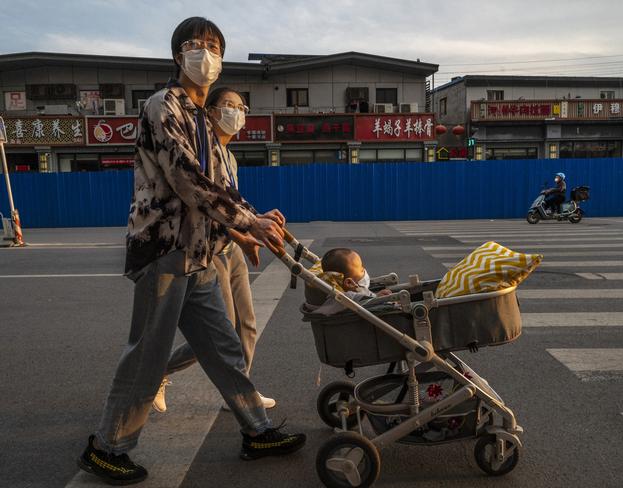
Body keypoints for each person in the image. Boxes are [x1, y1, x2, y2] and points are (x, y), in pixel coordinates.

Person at [77, 17, 305, 486]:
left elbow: (222, 190)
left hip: (197, 255)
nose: (206, 54)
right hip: (164, 249)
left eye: (214, 47)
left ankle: (256, 431)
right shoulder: (164, 107)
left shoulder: (204, 121)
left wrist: (252, 225)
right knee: (148, 354)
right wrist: (248, 223)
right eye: (195, 45)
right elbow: (186, 179)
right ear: (178, 56)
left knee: (223, 347)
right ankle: (107, 448)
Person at [153, 87, 276, 413]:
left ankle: (242, 391)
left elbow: (231, 205)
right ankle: (159, 370)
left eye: (240, 107)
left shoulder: (228, 156)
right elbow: (206, 205)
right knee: (218, 333)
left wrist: (248, 230)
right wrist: (244, 232)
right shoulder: (200, 151)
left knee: (246, 324)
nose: (236, 113)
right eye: (228, 105)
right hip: (208, 249)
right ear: (210, 113)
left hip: (229, 246)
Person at [304, 248, 391, 315]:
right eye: (361, 269)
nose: (364, 270)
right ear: (349, 283)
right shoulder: (347, 298)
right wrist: (378, 297)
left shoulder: (325, 295)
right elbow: (370, 301)